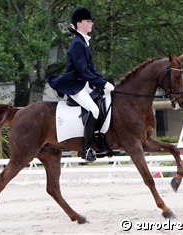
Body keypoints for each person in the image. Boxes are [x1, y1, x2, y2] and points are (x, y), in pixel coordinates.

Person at [48, 7, 114, 162]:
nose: (91, 24)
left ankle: (99, 140)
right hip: (75, 86)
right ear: (79, 23)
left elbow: (91, 68)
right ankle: (86, 149)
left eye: (91, 21)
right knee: (94, 110)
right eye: (88, 21)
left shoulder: (83, 42)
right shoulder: (77, 43)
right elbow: (84, 71)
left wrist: (104, 82)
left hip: (84, 84)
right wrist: (102, 83)